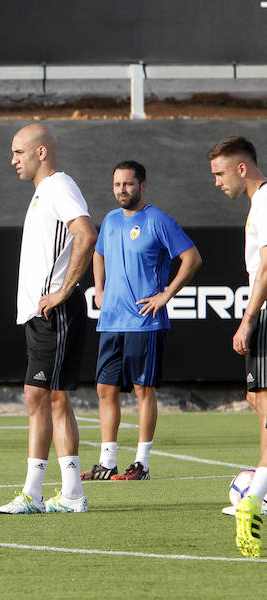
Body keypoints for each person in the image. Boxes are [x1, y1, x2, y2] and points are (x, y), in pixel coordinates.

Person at [0, 123, 97, 514]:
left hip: (54, 312)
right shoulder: (44, 191)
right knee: (54, 399)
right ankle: (71, 493)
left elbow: (86, 234)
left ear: (41, 152)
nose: (13, 160)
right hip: (42, 314)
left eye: (18, 152)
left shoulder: (58, 186)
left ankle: (33, 493)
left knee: (37, 396)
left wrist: (62, 290)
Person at [82, 161, 201, 482]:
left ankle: (142, 464)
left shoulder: (158, 220)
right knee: (105, 389)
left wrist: (166, 295)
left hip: (144, 322)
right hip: (111, 321)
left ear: (142, 186)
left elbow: (192, 258)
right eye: (117, 184)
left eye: (129, 184)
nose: (122, 190)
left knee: (142, 389)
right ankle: (107, 463)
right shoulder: (109, 220)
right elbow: (98, 252)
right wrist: (100, 287)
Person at [208, 135, 267, 556]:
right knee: (255, 398)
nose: (217, 182)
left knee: (265, 403)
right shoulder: (258, 203)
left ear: (241, 168)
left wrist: (249, 319)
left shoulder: (264, 200)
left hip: (265, 313)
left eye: (220, 173)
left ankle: (258, 495)